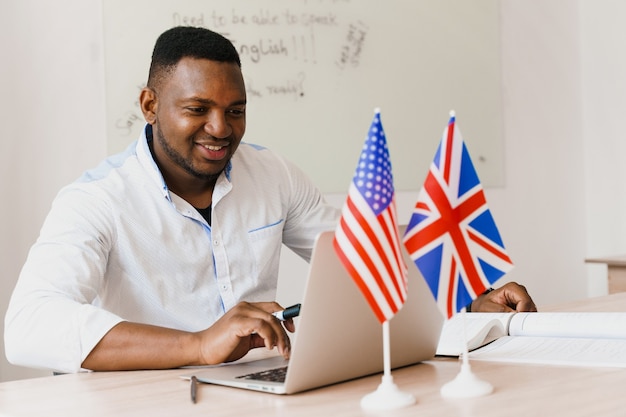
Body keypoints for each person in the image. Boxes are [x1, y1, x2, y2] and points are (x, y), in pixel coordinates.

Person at [4, 26, 536, 374]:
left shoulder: (273, 173)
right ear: (149, 104)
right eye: (197, 109)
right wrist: (198, 343)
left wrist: (469, 291)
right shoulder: (94, 200)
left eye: (235, 110)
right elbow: (28, 327)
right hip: (146, 399)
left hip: (263, 388)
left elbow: (364, 257)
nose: (220, 129)